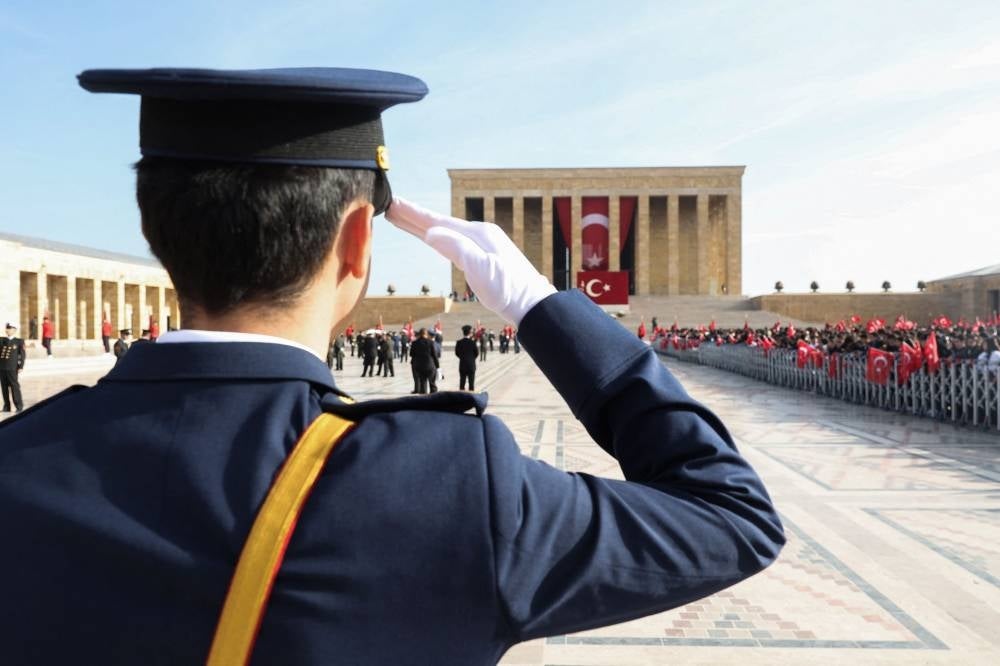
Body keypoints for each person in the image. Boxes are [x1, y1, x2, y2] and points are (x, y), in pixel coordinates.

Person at [0, 67, 782, 665]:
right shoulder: (449, 489)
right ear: (357, 243)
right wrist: (549, 310)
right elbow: (732, 517)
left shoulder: (18, 467)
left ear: (157, 235)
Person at [0, 322, 25, 413]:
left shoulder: (19, 341)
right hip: (2, 367)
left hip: (12, 368)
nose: (7, 330)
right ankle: (6, 406)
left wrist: (21, 366)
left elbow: (22, 355)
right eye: (7, 328)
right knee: (4, 388)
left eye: (9, 328)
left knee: (14, 387)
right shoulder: (2, 340)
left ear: (14, 330)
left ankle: (19, 406)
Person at [409, 327, 438, 394]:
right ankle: (434, 397)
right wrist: (438, 366)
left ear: (419, 334)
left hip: (419, 366)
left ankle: (424, 397)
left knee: (423, 383)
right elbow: (434, 355)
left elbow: (411, 354)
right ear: (426, 334)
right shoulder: (431, 342)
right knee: (432, 383)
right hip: (430, 365)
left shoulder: (415, 343)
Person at [455, 324, 478, 391]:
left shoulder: (459, 342)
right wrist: (471, 359)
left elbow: (457, 353)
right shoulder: (472, 342)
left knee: (462, 383)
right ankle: (471, 399)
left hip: (462, 364)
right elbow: (476, 353)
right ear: (470, 333)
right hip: (471, 365)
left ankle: (462, 398)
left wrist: (462, 358)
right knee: (471, 384)